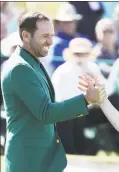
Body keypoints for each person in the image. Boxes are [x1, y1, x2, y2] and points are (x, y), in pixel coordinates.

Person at [1, 12, 105, 172]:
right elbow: (46, 112)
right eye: (44, 36)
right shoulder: (20, 68)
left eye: (51, 35)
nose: (50, 41)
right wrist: (85, 100)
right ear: (26, 36)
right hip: (28, 161)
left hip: (40, 158)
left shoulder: (30, 63)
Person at [51, 37, 105, 154]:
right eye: (77, 54)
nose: (80, 57)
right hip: (66, 112)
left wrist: (95, 82)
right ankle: (71, 151)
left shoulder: (93, 68)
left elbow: (107, 90)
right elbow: (59, 97)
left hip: (90, 110)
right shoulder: (63, 71)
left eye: (84, 54)